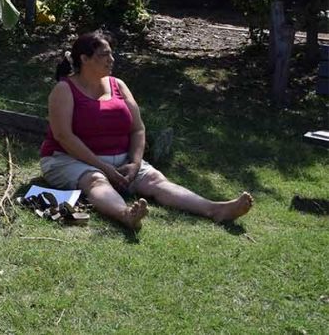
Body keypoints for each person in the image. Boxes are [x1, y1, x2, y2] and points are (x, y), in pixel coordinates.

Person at [40, 31, 253, 230]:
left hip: (121, 161)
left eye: (112, 54)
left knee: (156, 180)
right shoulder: (64, 89)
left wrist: (135, 163)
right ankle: (126, 215)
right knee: (95, 180)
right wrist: (104, 167)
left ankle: (216, 209)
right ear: (84, 59)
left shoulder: (118, 85)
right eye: (104, 55)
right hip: (69, 160)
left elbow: (138, 129)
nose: (111, 60)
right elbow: (64, 137)